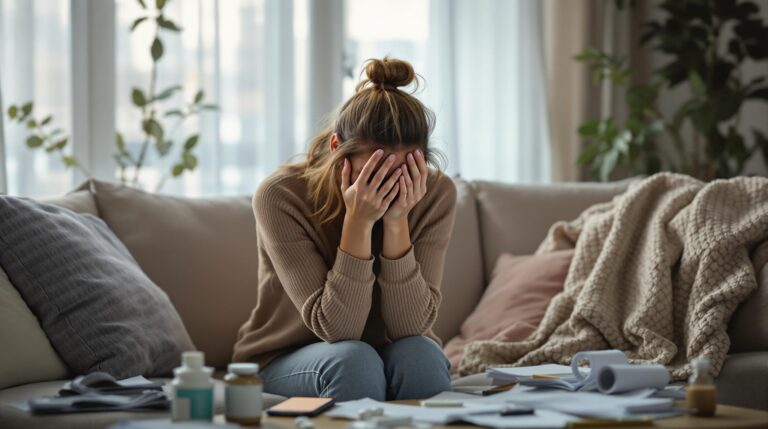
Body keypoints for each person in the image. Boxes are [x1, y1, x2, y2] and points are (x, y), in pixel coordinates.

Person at [233, 56, 457, 401]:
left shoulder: (435, 192)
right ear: (338, 148)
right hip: (288, 357)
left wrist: (397, 221)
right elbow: (338, 329)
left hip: (386, 351)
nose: (391, 185)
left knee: (422, 356)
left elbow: (410, 328)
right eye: (376, 170)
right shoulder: (280, 196)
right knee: (353, 360)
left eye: (406, 169)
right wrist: (359, 221)